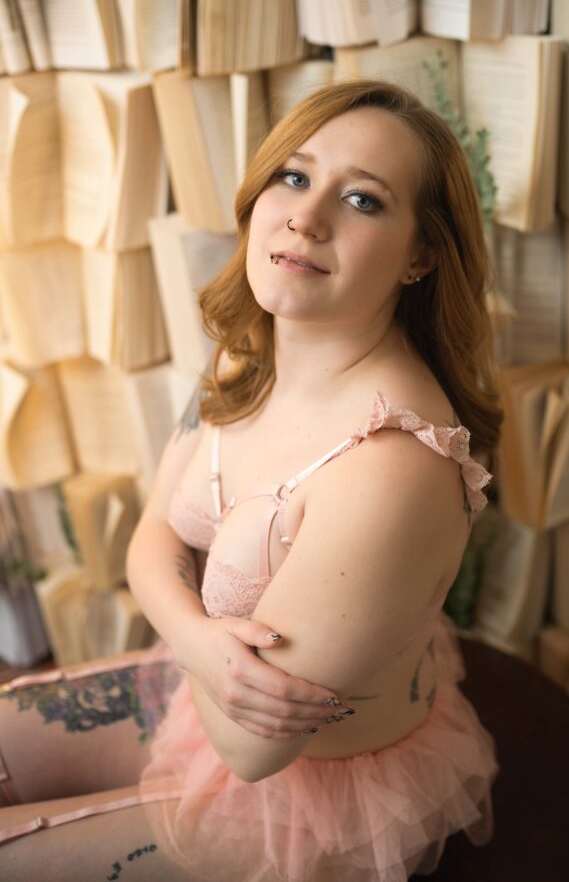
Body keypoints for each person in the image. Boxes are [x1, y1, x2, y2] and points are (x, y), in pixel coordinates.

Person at [0, 79, 501, 881]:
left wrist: (190, 634)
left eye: (363, 200)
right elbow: (153, 533)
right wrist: (201, 641)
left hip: (300, 800)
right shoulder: (252, 347)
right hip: (199, 684)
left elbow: (252, 745)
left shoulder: (390, 470)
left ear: (421, 255)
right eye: (294, 177)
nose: (305, 216)